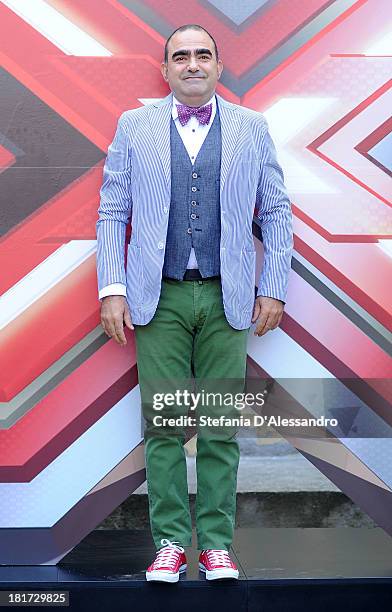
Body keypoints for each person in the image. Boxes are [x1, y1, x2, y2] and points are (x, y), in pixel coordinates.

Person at [96, 24, 293, 583]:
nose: (191, 64)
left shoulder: (252, 128)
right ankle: (169, 545)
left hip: (227, 295)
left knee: (219, 424)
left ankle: (217, 545)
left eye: (202, 55)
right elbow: (113, 212)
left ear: (218, 65)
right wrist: (112, 288)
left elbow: (275, 210)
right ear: (165, 70)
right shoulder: (134, 127)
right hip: (156, 297)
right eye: (179, 57)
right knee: (162, 424)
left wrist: (273, 284)